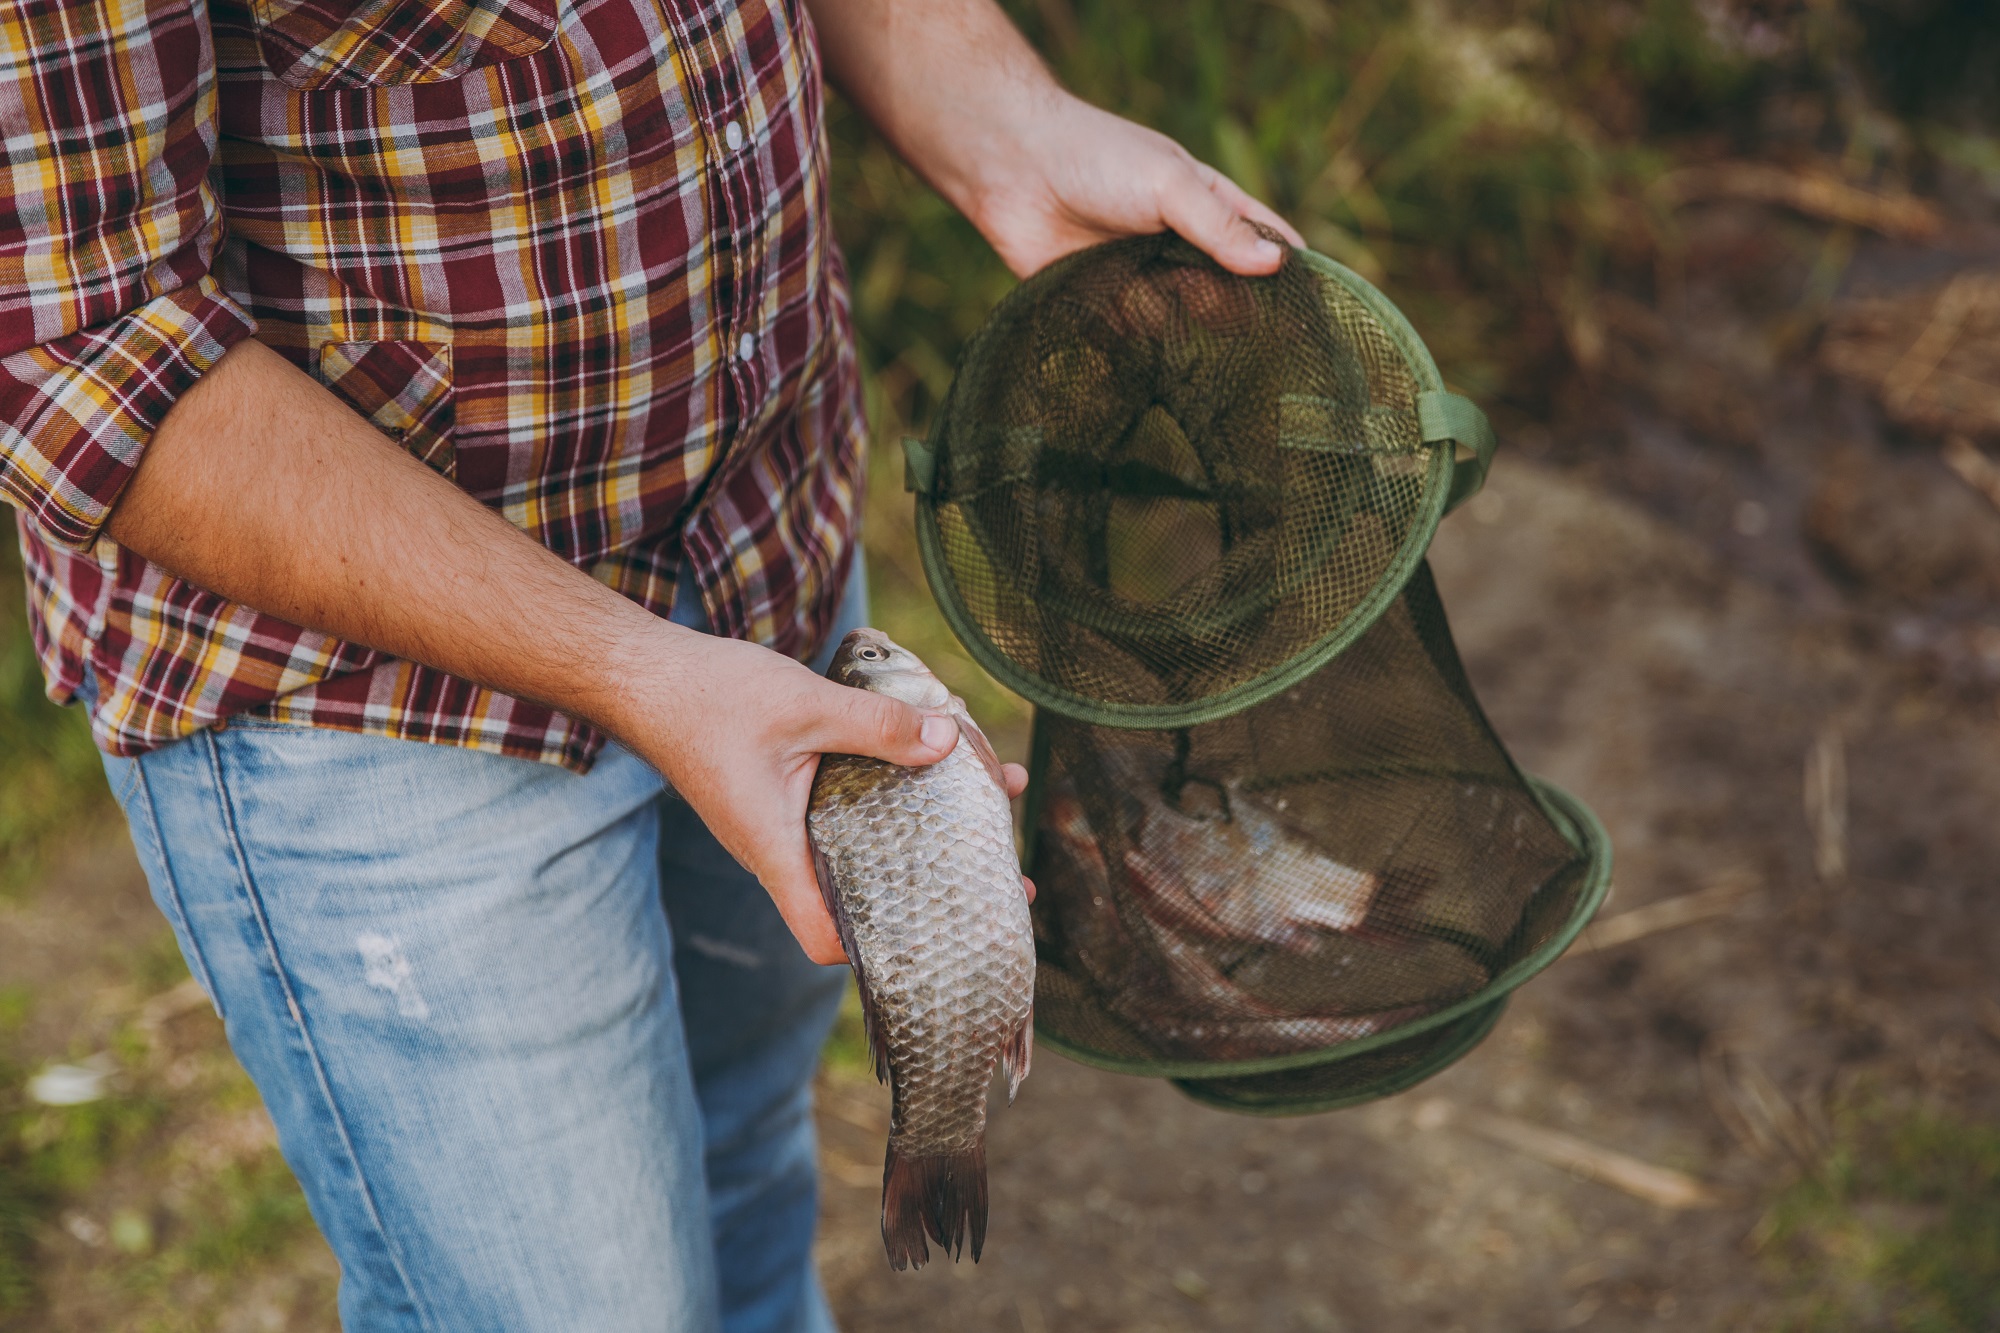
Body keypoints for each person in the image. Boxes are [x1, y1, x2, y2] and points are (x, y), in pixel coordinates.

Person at [0, 0, 1300, 1327]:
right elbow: (78, 352)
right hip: (374, 704)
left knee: (744, 1172)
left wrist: (1006, 129)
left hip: (764, 540)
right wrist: (643, 674)